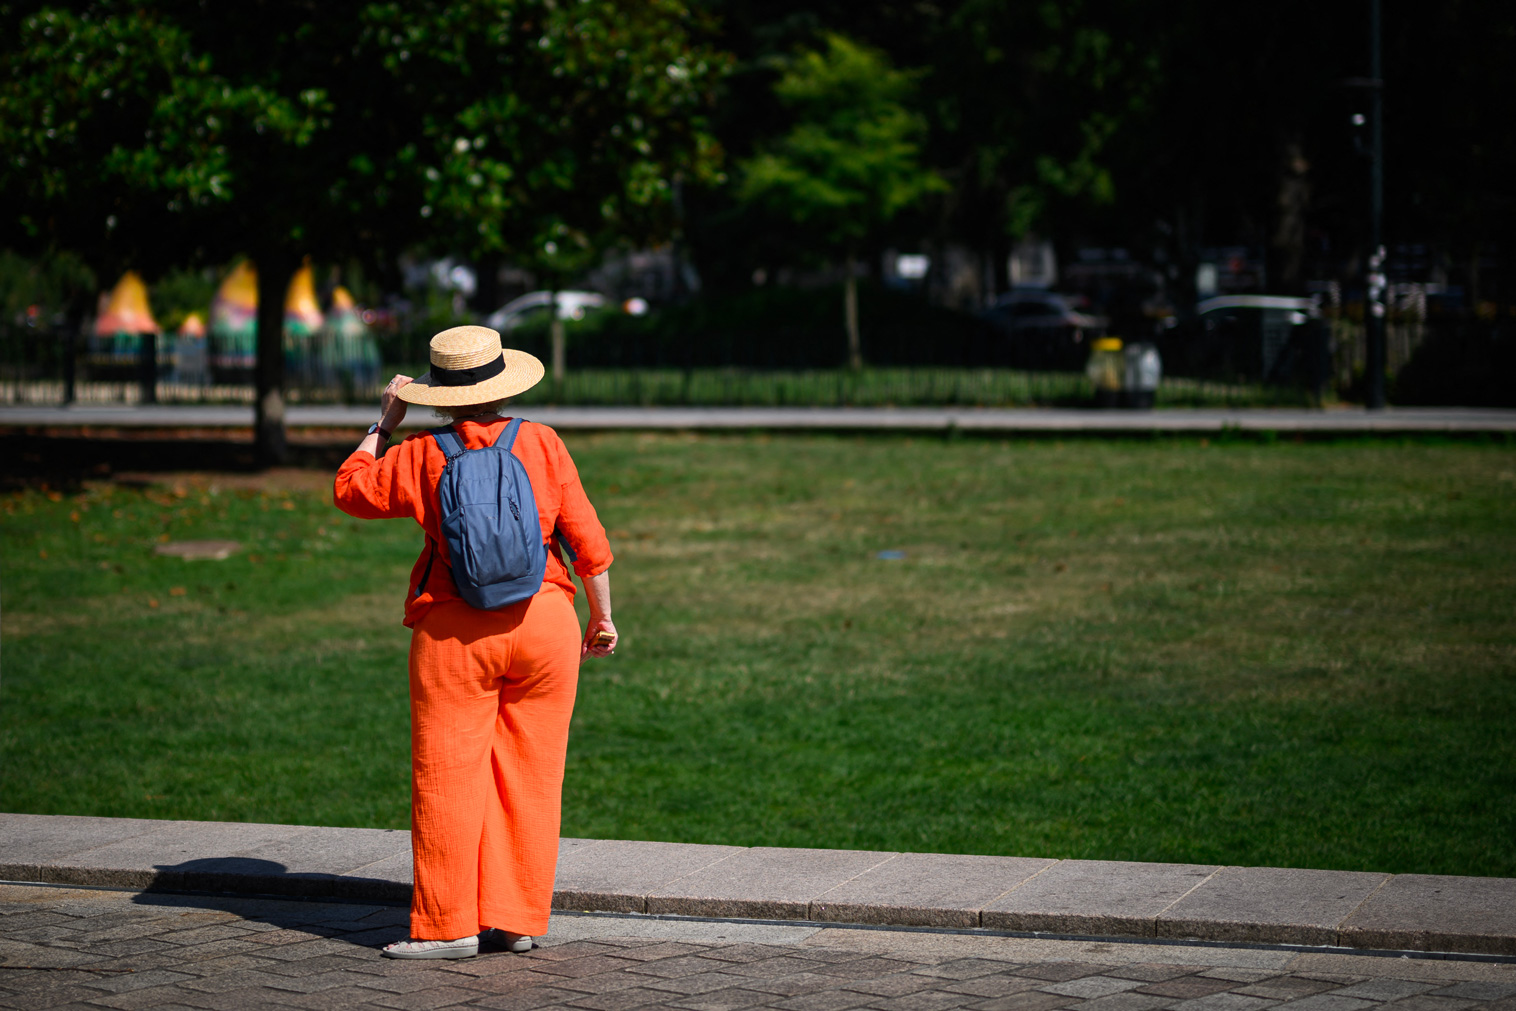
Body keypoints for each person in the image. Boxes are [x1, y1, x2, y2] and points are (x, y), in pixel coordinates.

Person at [333, 325, 617, 959]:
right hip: (544, 624)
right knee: (533, 779)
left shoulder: (420, 454)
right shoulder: (543, 444)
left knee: (447, 778)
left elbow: (349, 490)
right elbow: (590, 549)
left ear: (440, 393)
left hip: (454, 630)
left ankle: (448, 925)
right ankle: (517, 921)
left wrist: (383, 423)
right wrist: (601, 621)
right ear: (501, 381)